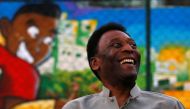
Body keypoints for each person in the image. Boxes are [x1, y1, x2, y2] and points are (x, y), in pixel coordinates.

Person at [62, 22, 184, 109]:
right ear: (95, 63)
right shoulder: (76, 107)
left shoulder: (168, 106)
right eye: (116, 45)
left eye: (133, 45)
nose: (129, 49)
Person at [0, 3, 61, 109]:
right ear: (6, 28)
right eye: (33, 33)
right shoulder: (21, 70)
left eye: (48, 39)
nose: (38, 46)